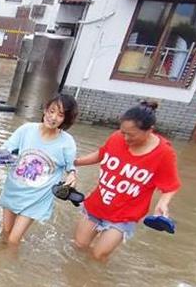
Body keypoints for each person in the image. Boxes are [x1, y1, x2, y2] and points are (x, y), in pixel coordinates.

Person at [73, 100, 181, 261]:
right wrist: (74, 162)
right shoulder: (117, 137)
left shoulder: (164, 153)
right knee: (79, 246)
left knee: (98, 255)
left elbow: (170, 185)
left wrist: (163, 203)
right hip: (97, 205)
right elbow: (101, 155)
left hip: (124, 214)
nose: (125, 137)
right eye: (123, 132)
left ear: (149, 131)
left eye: (131, 134)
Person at [0, 94, 79, 244]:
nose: (53, 117)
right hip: (13, 190)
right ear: (45, 110)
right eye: (51, 111)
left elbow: (71, 167)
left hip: (37, 197)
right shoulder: (26, 129)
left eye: (60, 115)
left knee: (14, 240)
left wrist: (72, 175)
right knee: (5, 232)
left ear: (66, 119)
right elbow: (7, 149)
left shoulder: (67, 142)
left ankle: (10, 266)